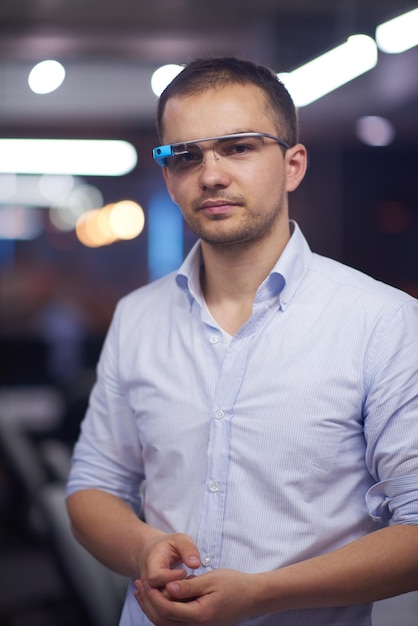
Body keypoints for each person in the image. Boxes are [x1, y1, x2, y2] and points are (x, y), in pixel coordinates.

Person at [66, 57, 418, 626]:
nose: (210, 175)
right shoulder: (137, 317)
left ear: (292, 165)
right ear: (168, 177)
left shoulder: (383, 321)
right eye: (186, 155)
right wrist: (141, 549)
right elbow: (92, 490)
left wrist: (263, 594)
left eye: (239, 147)